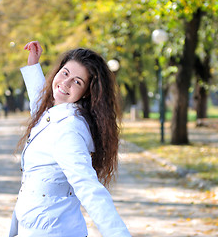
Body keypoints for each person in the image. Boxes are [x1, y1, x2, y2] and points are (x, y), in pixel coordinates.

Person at [9, 41, 131, 237]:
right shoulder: (55, 115)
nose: (65, 83)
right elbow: (41, 107)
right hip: (38, 226)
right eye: (65, 73)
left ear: (87, 92)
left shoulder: (68, 130)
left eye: (77, 81)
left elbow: (88, 187)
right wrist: (33, 65)